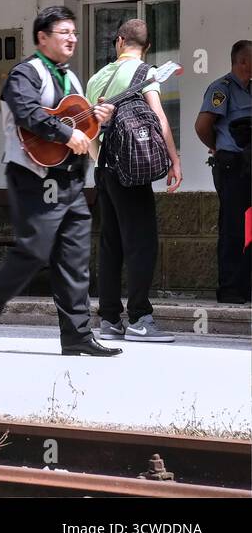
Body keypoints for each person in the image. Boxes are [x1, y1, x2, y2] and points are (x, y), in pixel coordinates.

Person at [0, 6, 121, 357]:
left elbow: (79, 126)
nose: (72, 39)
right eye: (64, 32)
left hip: (69, 180)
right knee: (33, 250)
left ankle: (77, 335)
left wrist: (97, 117)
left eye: (74, 33)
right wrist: (66, 133)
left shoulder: (72, 79)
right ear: (42, 38)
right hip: (34, 177)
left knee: (75, 258)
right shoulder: (25, 74)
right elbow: (28, 114)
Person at [85, 19, 181, 342]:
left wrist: (101, 163)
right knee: (142, 241)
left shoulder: (96, 79)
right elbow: (159, 117)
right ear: (147, 47)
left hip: (105, 172)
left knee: (110, 243)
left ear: (119, 42)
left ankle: (109, 319)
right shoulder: (145, 73)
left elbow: (89, 134)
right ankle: (140, 318)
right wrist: (174, 160)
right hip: (132, 172)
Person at [195, 40, 252, 304]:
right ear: (242, 62)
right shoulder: (222, 89)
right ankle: (230, 288)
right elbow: (203, 125)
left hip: (249, 163)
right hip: (231, 165)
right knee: (234, 227)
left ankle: (247, 285)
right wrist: (217, 147)